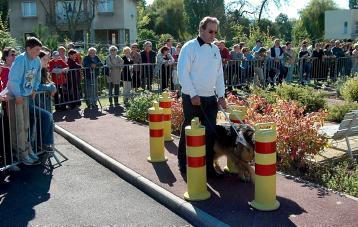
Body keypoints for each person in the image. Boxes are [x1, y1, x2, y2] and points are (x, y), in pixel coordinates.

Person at [177, 16, 226, 178]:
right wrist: (192, 93)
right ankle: (183, 163)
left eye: (215, 32)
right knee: (189, 131)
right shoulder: (189, 47)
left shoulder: (215, 50)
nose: (213, 35)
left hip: (210, 98)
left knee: (210, 133)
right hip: (193, 98)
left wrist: (221, 95)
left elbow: (219, 75)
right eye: (210, 31)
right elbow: (182, 73)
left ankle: (208, 167)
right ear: (201, 30)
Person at [7, 37, 42, 165]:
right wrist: (17, 95)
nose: (38, 53)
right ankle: (21, 153)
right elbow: (13, 79)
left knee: (26, 125)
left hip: (25, 95)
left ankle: (27, 150)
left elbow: (37, 76)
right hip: (16, 97)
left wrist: (35, 88)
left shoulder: (37, 60)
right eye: (36, 50)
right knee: (19, 126)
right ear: (28, 49)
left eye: (39, 50)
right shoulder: (21, 59)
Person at [30, 50, 56, 153]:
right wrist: (50, 87)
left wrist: (51, 86)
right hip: (35, 102)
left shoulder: (43, 70)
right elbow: (33, 86)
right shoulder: (33, 70)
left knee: (48, 120)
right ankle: (43, 145)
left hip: (43, 101)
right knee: (45, 119)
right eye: (44, 59)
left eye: (47, 59)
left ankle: (45, 145)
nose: (47, 61)